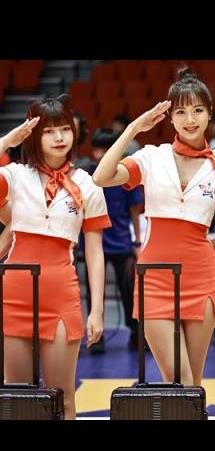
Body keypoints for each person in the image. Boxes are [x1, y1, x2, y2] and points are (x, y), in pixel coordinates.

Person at [93, 67, 215, 386]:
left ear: (210, 113)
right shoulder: (151, 157)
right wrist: (133, 128)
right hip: (155, 277)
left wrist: (202, 247)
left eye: (197, 110)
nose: (190, 119)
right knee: (179, 379)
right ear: (170, 118)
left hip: (201, 278)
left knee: (193, 384)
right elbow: (101, 177)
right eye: (180, 112)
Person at [0, 95, 110, 418]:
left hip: (61, 293)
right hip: (15, 293)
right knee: (17, 399)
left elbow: (95, 251)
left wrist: (97, 310)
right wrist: (8, 140)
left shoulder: (88, 184)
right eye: (48, 131)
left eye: (64, 129)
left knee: (62, 400)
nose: (59, 137)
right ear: (33, 135)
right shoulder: (15, 175)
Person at [84, 128, 144, 353]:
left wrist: (137, 242)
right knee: (94, 291)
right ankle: (95, 338)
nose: (100, 154)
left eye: (105, 149)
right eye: (97, 149)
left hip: (121, 240)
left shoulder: (122, 175)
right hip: (93, 241)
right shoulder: (88, 175)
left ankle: (136, 333)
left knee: (129, 290)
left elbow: (134, 211)